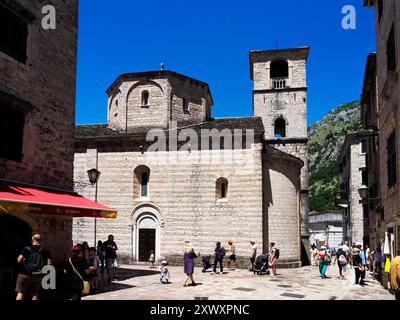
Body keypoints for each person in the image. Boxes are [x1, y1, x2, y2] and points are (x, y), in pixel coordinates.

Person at [15, 234, 52, 301]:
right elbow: (49, 264)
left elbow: (19, 260)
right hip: (38, 274)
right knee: (35, 293)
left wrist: (23, 261)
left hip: (24, 274)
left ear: (32, 240)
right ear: (40, 240)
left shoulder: (26, 248)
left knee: (20, 292)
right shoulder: (45, 250)